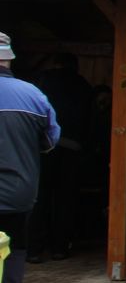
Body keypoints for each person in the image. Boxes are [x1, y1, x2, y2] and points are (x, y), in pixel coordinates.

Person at [0, 33, 60, 283]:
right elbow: (50, 141)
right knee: (14, 248)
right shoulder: (34, 96)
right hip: (18, 190)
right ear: (9, 59)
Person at [30, 52, 93, 261]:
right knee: (65, 198)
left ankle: (35, 249)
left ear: (55, 63)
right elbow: (89, 118)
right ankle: (60, 247)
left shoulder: (42, 81)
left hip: (45, 147)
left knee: (40, 196)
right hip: (72, 147)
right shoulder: (82, 85)